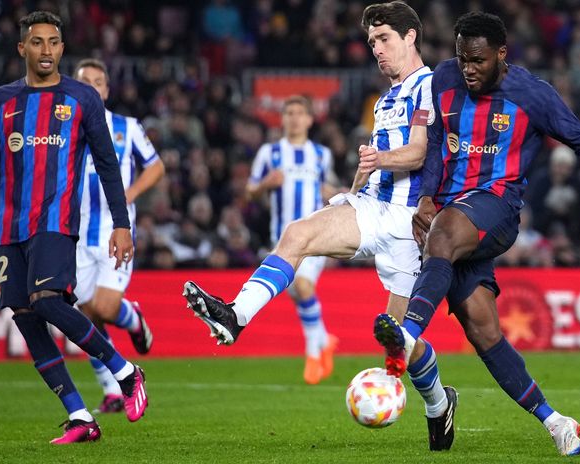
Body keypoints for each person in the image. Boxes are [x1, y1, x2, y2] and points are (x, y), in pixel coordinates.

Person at [182, 1, 457, 451]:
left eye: (384, 38)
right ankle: (237, 316)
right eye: (372, 42)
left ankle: (438, 405)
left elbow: (423, 152)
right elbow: (384, 162)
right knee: (297, 234)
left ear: (410, 37)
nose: (377, 49)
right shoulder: (386, 98)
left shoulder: (429, 87)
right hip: (373, 209)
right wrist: (358, 184)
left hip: (412, 226)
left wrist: (379, 158)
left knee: (399, 344)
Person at [372, 11, 580, 456]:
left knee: (441, 235)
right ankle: (556, 422)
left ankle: (408, 333)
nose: (469, 70)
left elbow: (578, 137)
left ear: (501, 54)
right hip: (448, 216)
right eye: (462, 59)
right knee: (484, 332)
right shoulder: (443, 79)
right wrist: (424, 197)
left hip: (496, 208)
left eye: (478, 60)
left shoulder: (533, 94)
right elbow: (437, 144)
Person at [0, 12, 148, 444]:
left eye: (54, 42)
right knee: (26, 317)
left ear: (62, 48)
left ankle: (125, 371)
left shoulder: (81, 97)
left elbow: (107, 163)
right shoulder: (0, 99)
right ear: (22, 48)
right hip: (10, 228)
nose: (46, 50)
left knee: (47, 300)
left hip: (56, 222)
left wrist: (122, 224)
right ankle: (80, 416)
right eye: (37, 42)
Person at [72, 58, 165, 413]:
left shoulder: (126, 127)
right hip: (76, 236)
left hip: (115, 232)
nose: (93, 87)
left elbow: (156, 167)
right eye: (85, 82)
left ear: (106, 90)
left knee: (106, 308)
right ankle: (112, 390)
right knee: (85, 318)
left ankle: (132, 316)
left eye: (99, 82)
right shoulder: (65, 131)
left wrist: (125, 196)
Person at [247, 95, 338, 385]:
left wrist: (331, 193)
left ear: (311, 120)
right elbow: (250, 191)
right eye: (289, 113)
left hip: (315, 233)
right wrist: (264, 185)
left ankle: (313, 351)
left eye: (300, 112)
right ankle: (324, 339)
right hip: (281, 238)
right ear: (282, 119)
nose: (295, 118)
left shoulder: (321, 155)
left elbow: (330, 187)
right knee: (296, 292)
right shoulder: (269, 153)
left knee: (302, 285)